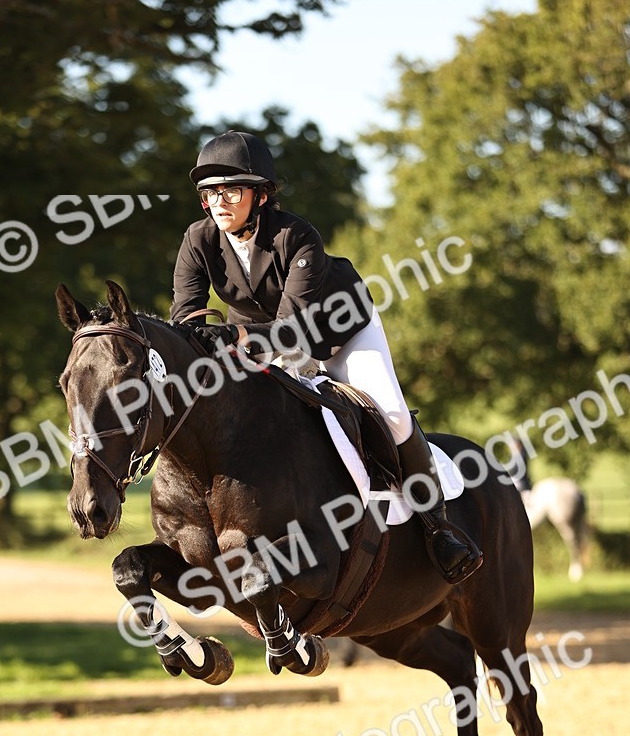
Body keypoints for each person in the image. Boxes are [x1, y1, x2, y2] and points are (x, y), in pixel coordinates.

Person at [170, 130, 482, 585]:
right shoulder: (198, 240)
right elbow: (187, 316)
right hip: (257, 337)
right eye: (209, 193)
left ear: (260, 195)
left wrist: (234, 333)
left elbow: (294, 331)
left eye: (230, 190)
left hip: (339, 331)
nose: (218, 202)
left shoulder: (297, 237)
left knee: (391, 415)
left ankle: (438, 528)